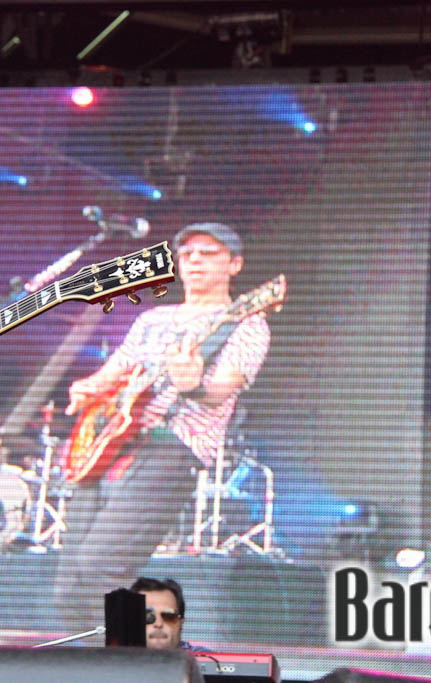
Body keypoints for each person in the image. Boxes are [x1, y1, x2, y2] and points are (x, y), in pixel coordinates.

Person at [52, 222, 271, 631]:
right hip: (108, 446)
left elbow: (220, 391)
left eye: (209, 253)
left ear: (235, 265)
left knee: (102, 566)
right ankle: (87, 660)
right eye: (188, 253)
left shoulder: (245, 323)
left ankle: (134, 657)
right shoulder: (153, 318)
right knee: (69, 585)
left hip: (172, 447)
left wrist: (193, 385)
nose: (195, 260)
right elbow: (112, 373)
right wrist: (87, 389)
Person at [130, 577, 194, 651]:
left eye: (169, 616)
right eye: (146, 616)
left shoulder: (202, 656)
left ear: (181, 623)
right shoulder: (117, 656)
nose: (159, 624)